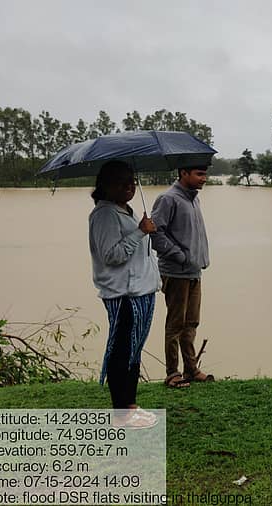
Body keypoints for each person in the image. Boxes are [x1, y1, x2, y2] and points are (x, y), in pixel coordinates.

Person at [89, 160, 160, 428]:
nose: (129, 186)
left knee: (133, 351)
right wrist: (141, 232)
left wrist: (142, 231)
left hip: (141, 292)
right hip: (124, 294)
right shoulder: (104, 215)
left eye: (131, 181)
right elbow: (112, 255)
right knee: (121, 352)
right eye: (121, 182)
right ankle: (121, 412)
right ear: (106, 185)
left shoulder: (124, 211)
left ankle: (130, 405)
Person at [151, 164, 213, 388]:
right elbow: (155, 232)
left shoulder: (193, 199)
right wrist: (180, 256)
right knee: (176, 324)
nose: (203, 178)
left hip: (194, 271)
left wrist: (196, 259)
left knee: (192, 322)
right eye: (199, 174)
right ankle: (172, 373)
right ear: (183, 173)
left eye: (205, 174)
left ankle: (191, 369)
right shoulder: (168, 199)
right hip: (176, 272)